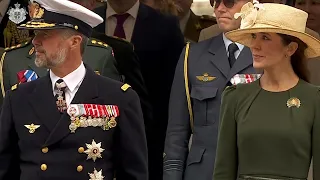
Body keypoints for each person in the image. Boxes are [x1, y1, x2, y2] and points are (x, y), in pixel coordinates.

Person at [0, 0, 148, 179]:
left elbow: (133, 173)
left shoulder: (119, 98)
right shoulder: (18, 98)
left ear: (74, 42)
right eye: (36, 33)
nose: (35, 41)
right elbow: (6, 170)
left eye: (45, 34)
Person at [213, 2, 320, 180]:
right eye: (254, 36)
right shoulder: (235, 97)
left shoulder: (314, 99)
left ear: (291, 48)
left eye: (265, 38)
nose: (255, 45)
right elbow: (223, 171)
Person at [163, 0, 257, 179]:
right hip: (203, 172)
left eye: (229, 2)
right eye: (215, 2)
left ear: (252, 4)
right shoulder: (193, 55)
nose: (220, 9)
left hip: (252, 171)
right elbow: (177, 132)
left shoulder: (269, 54)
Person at [93, 1, 185, 179]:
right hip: (95, 133)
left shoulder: (165, 25)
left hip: (149, 138)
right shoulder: (90, 20)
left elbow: (173, 87)